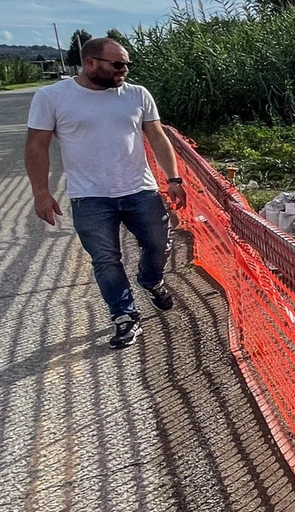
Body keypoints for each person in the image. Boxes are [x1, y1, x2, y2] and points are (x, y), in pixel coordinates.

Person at [24, 37, 187, 349]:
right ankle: (124, 316)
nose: (124, 70)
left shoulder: (137, 94)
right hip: (89, 197)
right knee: (106, 260)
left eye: (127, 64)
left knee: (160, 245)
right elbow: (36, 145)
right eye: (117, 64)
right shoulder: (52, 97)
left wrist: (173, 178)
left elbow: (157, 135)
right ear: (90, 63)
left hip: (140, 190)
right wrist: (41, 192)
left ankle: (151, 280)